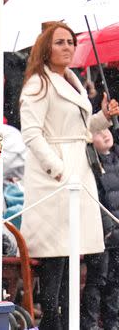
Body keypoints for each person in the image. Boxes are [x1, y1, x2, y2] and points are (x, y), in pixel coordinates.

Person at [19, 21, 119, 330]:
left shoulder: (73, 81)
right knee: (54, 261)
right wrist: (58, 169)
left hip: (79, 174)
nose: (67, 47)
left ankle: (67, 323)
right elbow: (32, 134)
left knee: (71, 258)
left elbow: (79, 131)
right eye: (60, 42)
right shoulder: (38, 84)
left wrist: (103, 117)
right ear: (46, 47)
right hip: (55, 181)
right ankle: (53, 324)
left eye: (71, 42)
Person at [81, 128, 119, 330]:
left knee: (115, 283)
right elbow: (95, 200)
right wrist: (106, 227)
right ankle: (90, 324)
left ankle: (113, 323)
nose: (105, 134)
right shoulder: (90, 164)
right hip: (102, 234)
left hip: (117, 233)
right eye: (98, 132)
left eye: (107, 130)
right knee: (97, 281)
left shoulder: (116, 157)